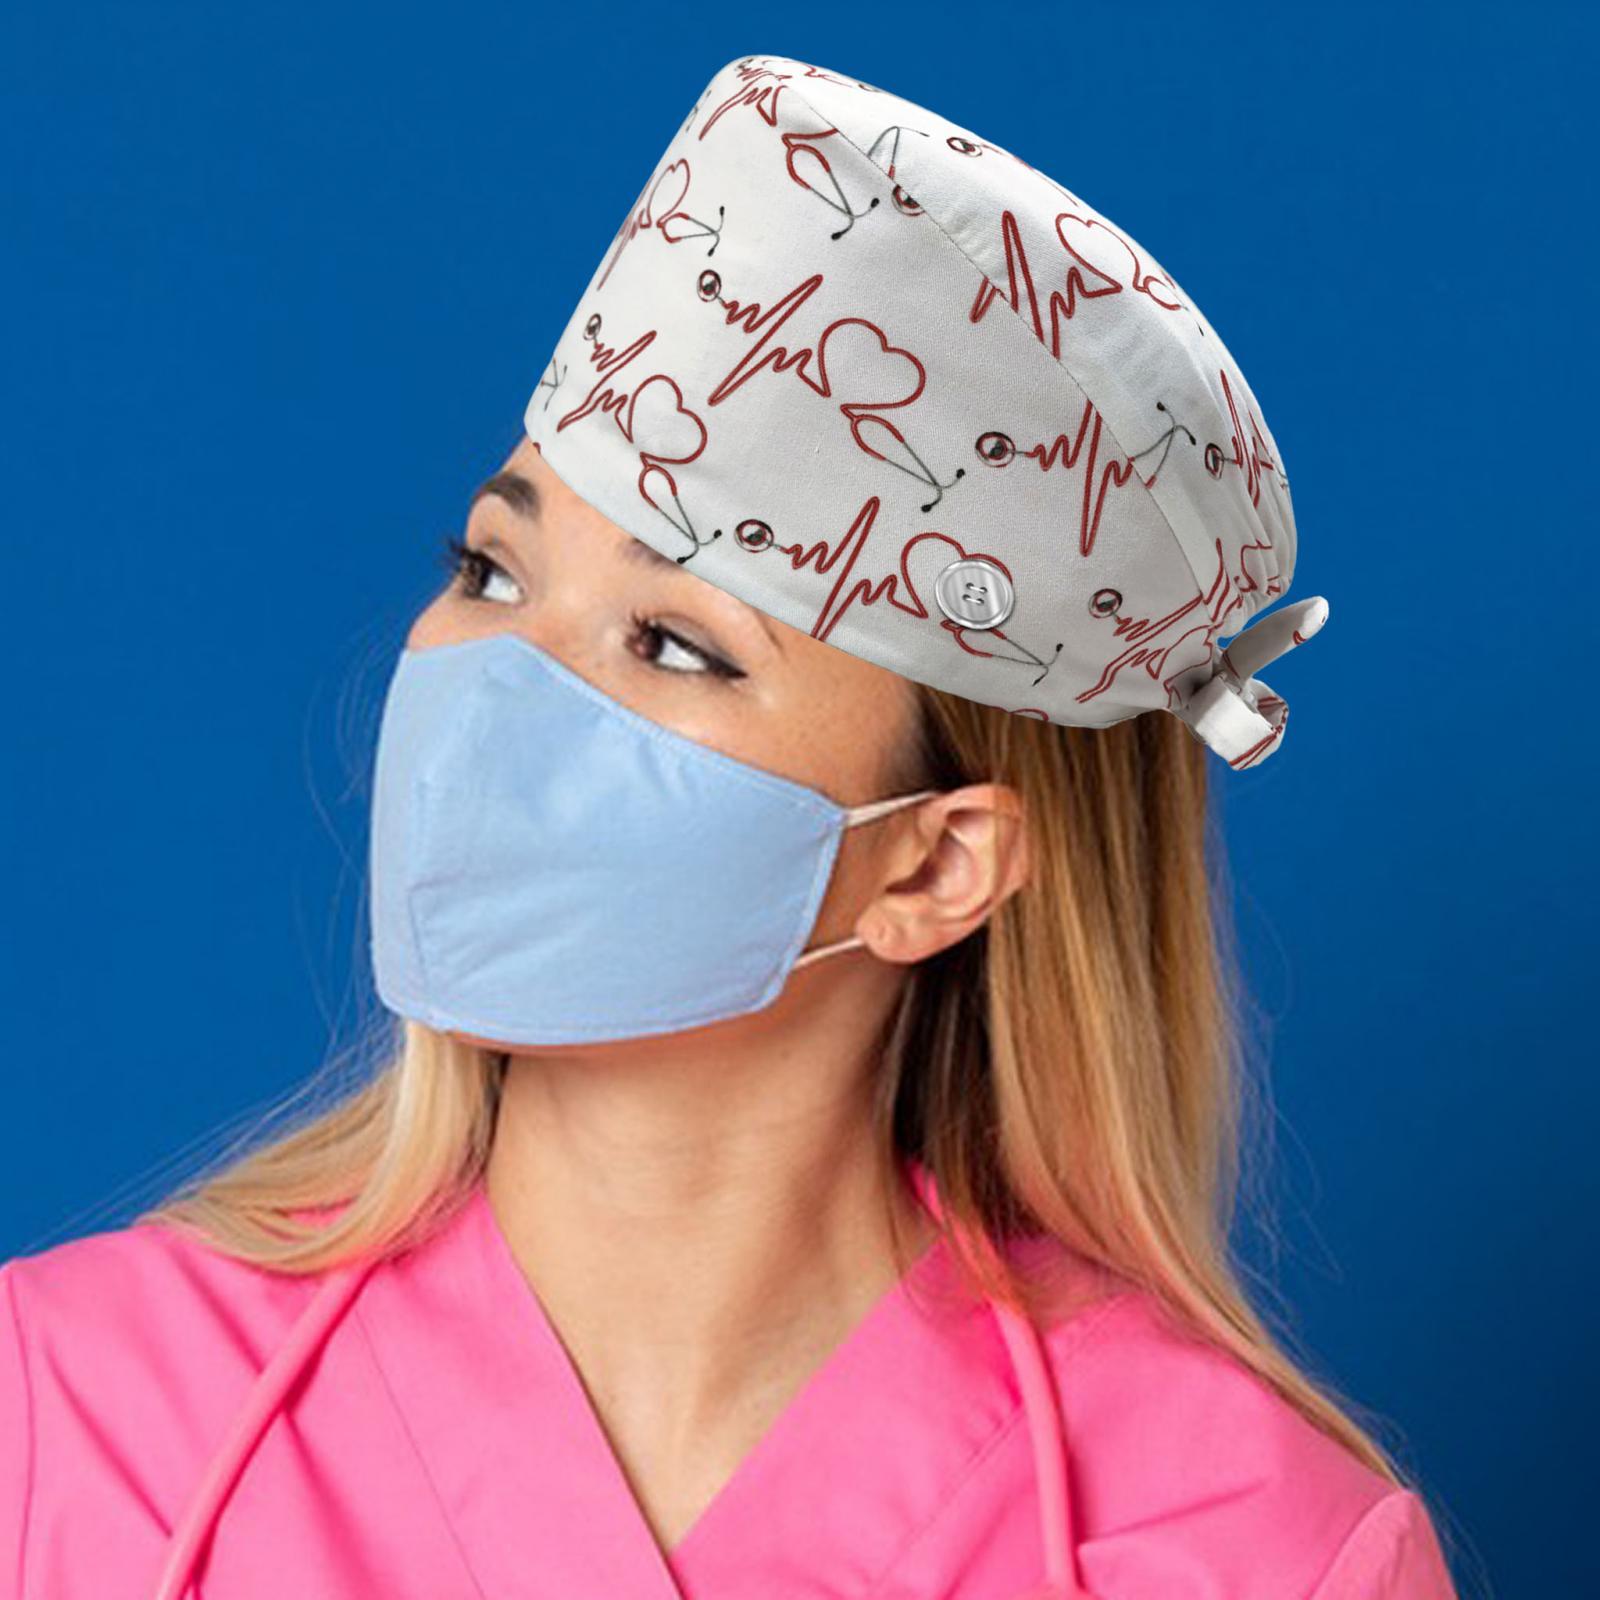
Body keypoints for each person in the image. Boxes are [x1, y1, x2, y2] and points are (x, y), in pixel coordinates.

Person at [0, 52, 1459, 1600]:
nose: (500, 686)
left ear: (933, 863)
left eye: (675, 645)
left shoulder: (1252, 1554)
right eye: (493, 571)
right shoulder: (63, 1416)